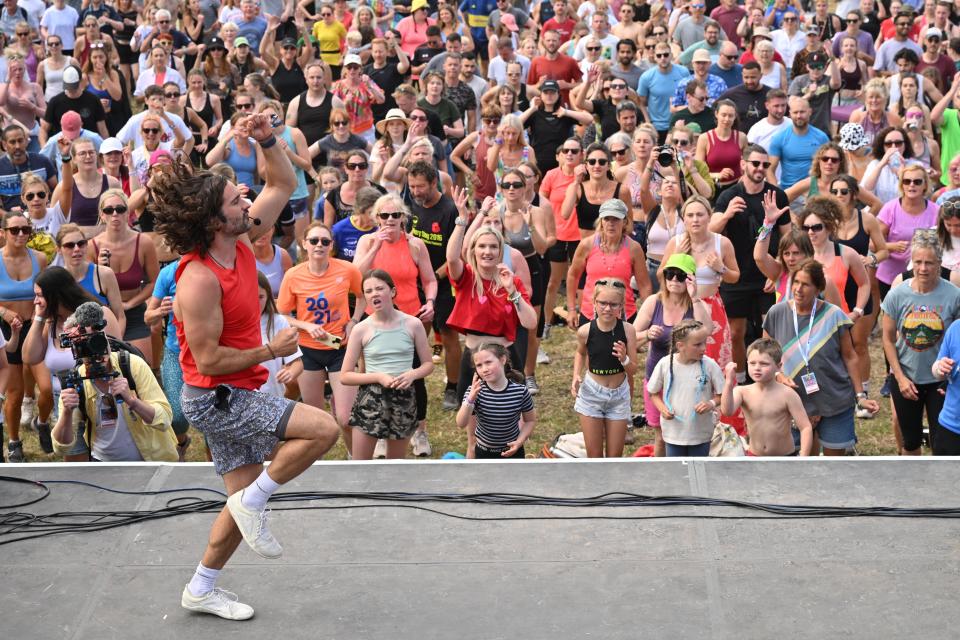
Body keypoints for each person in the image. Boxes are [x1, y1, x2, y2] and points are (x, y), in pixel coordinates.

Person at [149, 112, 339, 619]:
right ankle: (254, 502)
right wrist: (271, 352)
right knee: (323, 429)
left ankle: (201, 587)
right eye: (237, 201)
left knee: (239, 506)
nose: (248, 202)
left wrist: (268, 139)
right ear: (216, 219)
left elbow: (284, 181)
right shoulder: (198, 279)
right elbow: (208, 360)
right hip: (216, 398)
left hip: (235, 389)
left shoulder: (239, 237)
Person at [763, 259, 879, 455]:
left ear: (818, 289)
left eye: (806, 284)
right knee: (798, 466)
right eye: (796, 282)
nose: (798, 289)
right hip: (792, 402)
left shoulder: (834, 315)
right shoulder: (777, 313)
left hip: (834, 401)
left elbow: (850, 357)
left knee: (832, 468)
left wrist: (861, 396)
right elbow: (765, 355)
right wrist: (778, 376)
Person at [353, 193, 438, 456]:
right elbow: (355, 276)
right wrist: (376, 248)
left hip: (410, 317)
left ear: (403, 218)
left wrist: (431, 302)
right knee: (374, 375)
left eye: (395, 215)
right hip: (375, 318)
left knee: (414, 375)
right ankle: (379, 432)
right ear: (375, 218)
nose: (389, 220)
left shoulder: (415, 245)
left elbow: (430, 280)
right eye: (384, 216)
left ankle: (419, 431)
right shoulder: (367, 241)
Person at [51, 301, 176, 462]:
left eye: (99, 342)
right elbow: (62, 446)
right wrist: (67, 413)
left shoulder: (132, 365)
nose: (97, 353)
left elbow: (165, 418)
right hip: (103, 464)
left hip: (148, 462)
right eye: (87, 347)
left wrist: (132, 401)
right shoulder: (77, 382)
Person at [711, 145, 791, 384]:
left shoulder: (777, 195)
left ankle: (775, 377)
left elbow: (788, 237)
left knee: (772, 331)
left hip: (767, 276)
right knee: (736, 332)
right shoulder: (728, 195)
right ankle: (741, 378)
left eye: (765, 165)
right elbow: (710, 231)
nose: (760, 169)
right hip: (737, 275)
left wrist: (776, 269)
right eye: (755, 163)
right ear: (743, 164)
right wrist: (727, 215)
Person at [339, 268, 433, 459]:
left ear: (392, 291)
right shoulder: (360, 329)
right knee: (361, 465)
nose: (374, 294)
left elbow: (428, 365)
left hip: (403, 398)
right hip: (371, 399)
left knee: (394, 467)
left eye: (379, 288)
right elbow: (345, 376)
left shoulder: (413, 324)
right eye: (369, 291)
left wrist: (412, 375)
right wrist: (378, 377)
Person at [883, 229, 960, 455]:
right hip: (907, 378)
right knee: (910, 440)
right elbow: (887, 339)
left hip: (940, 382)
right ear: (911, 263)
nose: (923, 268)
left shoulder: (953, 295)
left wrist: (948, 380)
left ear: (939, 263)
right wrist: (899, 377)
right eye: (918, 262)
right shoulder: (897, 295)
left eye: (929, 263)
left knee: (940, 441)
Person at [660, 195, 740, 401]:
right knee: (683, 359)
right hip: (682, 306)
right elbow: (661, 275)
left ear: (709, 217)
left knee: (713, 361)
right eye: (690, 215)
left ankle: (720, 410)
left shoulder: (722, 243)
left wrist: (720, 268)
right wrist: (677, 257)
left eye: (700, 215)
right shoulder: (675, 242)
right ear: (683, 219)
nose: (695, 219)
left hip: (711, 309)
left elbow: (735, 276)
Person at [634, 252, 711, 457]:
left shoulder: (695, 304)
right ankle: (663, 479)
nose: (674, 280)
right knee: (661, 434)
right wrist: (646, 334)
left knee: (689, 432)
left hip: (688, 380)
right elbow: (631, 336)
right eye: (670, 274)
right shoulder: (654, 302)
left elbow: (708, 330)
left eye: (680, 275)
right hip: (658, 378)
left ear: (691, 278)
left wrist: (695, 297)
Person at [88, 189, 160, 365]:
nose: (115, 214)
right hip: (104, 315)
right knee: (109, 371)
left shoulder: (143, 242)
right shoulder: (92, 246)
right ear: (101, 214)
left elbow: (154, 282)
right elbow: (87, 288)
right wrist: (100, 269)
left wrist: (130, 303)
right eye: (108, 210)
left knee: (143, 368)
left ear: (128, 212)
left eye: (120, 209)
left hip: (135, 312)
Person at [569, 276, 638, 458]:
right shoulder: (585, 331)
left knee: (615, 457)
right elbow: (580, 352)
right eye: (603, 303)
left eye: (614, 304)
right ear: (594, 302)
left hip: (618, 395)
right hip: (592, 394)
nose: (607, 308)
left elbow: (634, 370)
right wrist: (576, 375)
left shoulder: (628, 330)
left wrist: (624, 359)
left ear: (621, 305)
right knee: (595, 456)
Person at [0, 210, 48, 462]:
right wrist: (5, 311)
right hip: (6, 332)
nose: (20, 234)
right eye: (14, 230)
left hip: (34, 327)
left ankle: (43, 422)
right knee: (15, 394)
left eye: (25, 230)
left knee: (48, 388)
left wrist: (44, 316)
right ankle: (14, 441)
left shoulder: (39, 258)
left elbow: (49, 292)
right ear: (3, 233)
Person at [720, 338, 814, 456]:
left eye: (764, 364)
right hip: (755, 455)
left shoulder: (787, 394)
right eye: (752, 363)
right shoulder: (742, 391)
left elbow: (805, 427)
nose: (757, 368)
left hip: (784, 457)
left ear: (778, 366)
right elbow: (727, 411)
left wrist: (803, 457)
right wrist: (728, 382)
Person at [566, 198, 651, 328]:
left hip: (624, 314)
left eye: (616, 219)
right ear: (601, 221)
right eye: (607, 219)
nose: (611, 223)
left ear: (624, 222)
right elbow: (573, 276)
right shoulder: (587, 245)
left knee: (624, 349)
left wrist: (648, 316)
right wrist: (572, 309)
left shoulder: (634, 248)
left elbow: (644, 285)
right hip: (591, 313)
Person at [647, 318, 724, 457]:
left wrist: (710, 404)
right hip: (674, 433)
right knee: (677, 473)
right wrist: (662, 409)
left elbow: (722, 395)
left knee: (699, 470)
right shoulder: (665, 364)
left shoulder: (710, 366)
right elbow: (652, 392)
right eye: (697, 344)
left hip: (701, 433)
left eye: (704, 343)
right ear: (680, 345)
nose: (704, 348)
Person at [456, 341, 536, 459]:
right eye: (479, 365)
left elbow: (530, 421)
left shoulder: (520, 391)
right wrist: (470, 400)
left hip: (513, 451)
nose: (484, 369)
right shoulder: (474, 391)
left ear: (503, 360)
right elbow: (461, 423)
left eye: (488, 362)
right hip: (483, 452)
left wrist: (519, 442)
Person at [876, 163, 941, 304]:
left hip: (924, 276)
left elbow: (943, 244)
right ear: (902, 185)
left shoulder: (936, 211)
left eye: (917, 182)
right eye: (907, 181)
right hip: (890, 276)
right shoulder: (890, 208)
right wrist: (892, 246)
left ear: (925, 185)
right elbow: (872, 244)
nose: (912, 185)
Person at [561, 143, 631, 240]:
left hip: (613, 247)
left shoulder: (622, 190)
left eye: (602, 162)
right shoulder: (577, 188)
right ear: (586, 165)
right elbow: (565, 214)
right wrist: (576, 181)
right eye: (592, 162)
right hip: (586, 249)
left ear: (608, 166)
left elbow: (629, 224)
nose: (597, 166)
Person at [767, 96, 830, 190]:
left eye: (802, 112)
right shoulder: (779, 138)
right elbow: (770, 169)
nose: (799, 116)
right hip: (789, 190)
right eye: (795, 112)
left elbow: (831, 164)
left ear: (810, 112)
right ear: (790, 114)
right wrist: (777, 192)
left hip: (815, 191)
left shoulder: (821, 137)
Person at [638, 42, 691, 141]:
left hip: (681, 124)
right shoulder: (646, 77)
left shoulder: (683, 72)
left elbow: (690, 96)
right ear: (654, 57)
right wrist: (648, 122)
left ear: (671, 55)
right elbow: (641, 102)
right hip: (657, 127)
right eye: (659, 55)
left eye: (666, 55)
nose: (663, 58)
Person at [716, 61, 769, 133]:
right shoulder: (733, 93)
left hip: (763, 139)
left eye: (753, 77)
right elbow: (715, 107)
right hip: (738, 139)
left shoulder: (769, 94)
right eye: (746, 77)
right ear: (742, 75)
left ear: (761, 76)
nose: (749, 81)